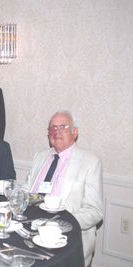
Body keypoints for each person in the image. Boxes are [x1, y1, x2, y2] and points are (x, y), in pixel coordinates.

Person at [27, 110, 103, 266]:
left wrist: (62, 223)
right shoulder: (39, 157)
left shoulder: (90, 161)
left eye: (63, 127)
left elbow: (95, 212)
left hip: (66, 238)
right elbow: (27, 190)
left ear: (75, 132)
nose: (56, 131)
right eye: (52, 128)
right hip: (30, 231)